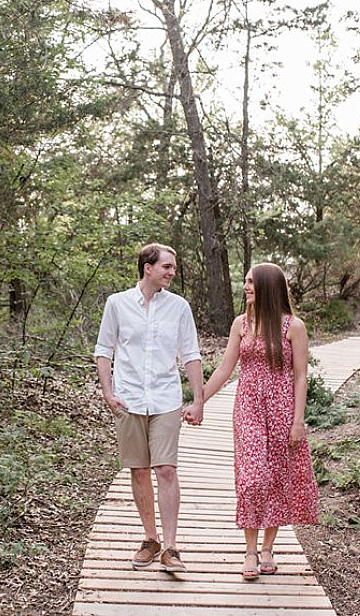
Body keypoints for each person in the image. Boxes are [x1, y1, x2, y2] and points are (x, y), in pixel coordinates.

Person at [192, 262, 318, 580]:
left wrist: (298, 421)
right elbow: (224, 369)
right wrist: (198, 400)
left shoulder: (294, 327)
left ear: (267, 287)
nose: (245, 287)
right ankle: (249, 550)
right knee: (252, 479)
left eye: (251, 282)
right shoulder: (241, 324)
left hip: (282, 410)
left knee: (276, 478)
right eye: (245, 282)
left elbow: (301, 376)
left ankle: (267, 548)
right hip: (247, 407)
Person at [94, 243, 204, 573]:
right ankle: (150, 539)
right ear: (148, 268)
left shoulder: (179, 307)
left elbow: (191, 354)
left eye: (172, 267)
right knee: (139, 470)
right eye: (167, 267)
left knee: (166, 469)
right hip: (128, 399)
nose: (172, 272)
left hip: (166, 399)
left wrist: (198, 399)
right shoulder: (117, 304)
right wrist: (108, 392)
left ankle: (171, 547)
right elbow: (103, 350)